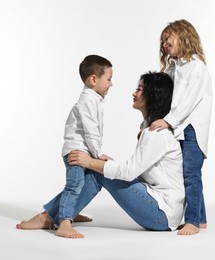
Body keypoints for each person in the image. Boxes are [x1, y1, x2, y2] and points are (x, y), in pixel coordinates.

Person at [16, 72, 185, 238]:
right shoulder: (150, 130)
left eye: (139, 89)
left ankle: (49, 217)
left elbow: (129, 172)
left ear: (152, 96)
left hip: (161, 215)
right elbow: (134, 171)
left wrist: (90, 162)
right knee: (101, 168)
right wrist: (100, 164)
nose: (134, 93)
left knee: (98, 171)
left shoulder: (156, 134)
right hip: (161, 211)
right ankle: (64, 213)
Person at [16, 54, 113, 239]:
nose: (111, 83)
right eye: (108, 79)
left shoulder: (95, 99)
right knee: (75, 184)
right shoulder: (88, 100)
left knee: (84, 183)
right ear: (93, 79)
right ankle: (64, 222)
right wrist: (97, 155)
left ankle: (69, 211)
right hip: (77, 151)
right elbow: (91, 131)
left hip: (84, 150)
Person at [149, 19, 213, 235]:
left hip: (191, 127)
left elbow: (188, 101)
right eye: (163, 41)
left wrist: (168, 121)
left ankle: (193, 220)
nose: (165, 44)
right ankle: (201, 218)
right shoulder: (174, 68)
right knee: (185, 172)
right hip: (178, 126)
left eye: (168, 39)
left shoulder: (196, 67)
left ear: (184, 36)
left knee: (190, 174)